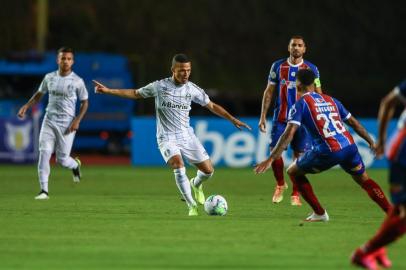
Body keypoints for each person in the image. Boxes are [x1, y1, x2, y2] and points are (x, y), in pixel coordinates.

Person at [93, 53, 251, 216]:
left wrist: (232, 119)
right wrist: (108, 90)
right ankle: (192, 206)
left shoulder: (192, 89)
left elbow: (211, 105)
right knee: (178, 165)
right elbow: (135, 93)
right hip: (166, 137)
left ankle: (196, 184)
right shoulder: (160, 86)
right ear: (173, 70)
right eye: (182, 70)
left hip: (187, 135)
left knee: (208, 171)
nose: (186, 74)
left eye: (188, 70)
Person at [254, 69, 391, 222]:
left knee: (293, 171)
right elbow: (353, 123)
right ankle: (392, 213)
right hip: (349, 147)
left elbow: (288, 133)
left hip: (329, 151)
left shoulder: (301, 104)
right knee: (364, 179)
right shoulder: (331, 100)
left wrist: (271, 158)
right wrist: (371, 141)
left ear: (297, 87)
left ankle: (319, 213)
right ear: (313, 84)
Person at [258, 35, 322, 206]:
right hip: (281, 118)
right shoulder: (278, 66)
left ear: (304, 48)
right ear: (289, 48)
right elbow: (269, 91)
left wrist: (318, 119)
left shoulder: (312, 69)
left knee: (299, 156)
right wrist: (263, 115)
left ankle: (296, 192)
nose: (296, 48)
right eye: (293, 45)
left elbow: (319, 94)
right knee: (275, 151)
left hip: (303, 120)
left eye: (300, 45)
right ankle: (280, 184)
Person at [17, 47, 88, 200]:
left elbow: (85, 102)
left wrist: (77, 120)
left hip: (67, 125)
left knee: (62, 160)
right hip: (49, 121)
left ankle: (75, 165)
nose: (66, 61)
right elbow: (39, 94)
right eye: (63, 58)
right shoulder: (49, 77)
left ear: (73, 61)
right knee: (44, 152)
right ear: (58, 60)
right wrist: (26, 106)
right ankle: (44, 191)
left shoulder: (77, 81)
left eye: (69, 59)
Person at [351, 79, 406, 270]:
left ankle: (372, 250)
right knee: (402, 212)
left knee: (399, 211)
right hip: (403, 154)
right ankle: (367, 251)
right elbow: (388, 102)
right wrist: (381, 140)